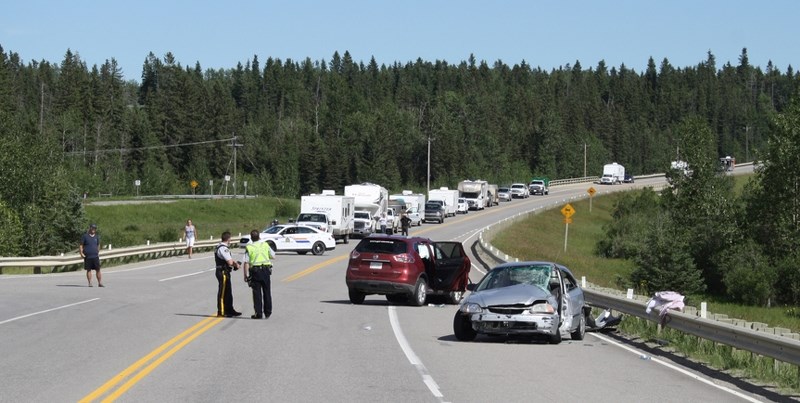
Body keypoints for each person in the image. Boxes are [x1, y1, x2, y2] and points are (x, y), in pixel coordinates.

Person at [243, 230, 276, 319]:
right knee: (267, 292)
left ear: (251, 237)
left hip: (255, 272)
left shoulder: (249, 247)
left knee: (257, 293)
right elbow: (273, 256)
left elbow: (246, 262)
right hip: (265, 271)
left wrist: (245, 275)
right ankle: (268, 312)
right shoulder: (265, 245)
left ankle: (258, 313)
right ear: (259, 237)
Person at [214, 231, 241, 317]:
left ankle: (229, 310)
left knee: (228, 292)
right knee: (222, 292)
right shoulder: (223, 248)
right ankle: (221, 311)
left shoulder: (220, 247)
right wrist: (236, 265)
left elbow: (229, 260)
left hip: (225, 271)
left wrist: (235, 264)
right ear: (228, 239)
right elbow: (229, 261)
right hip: (222, 272)